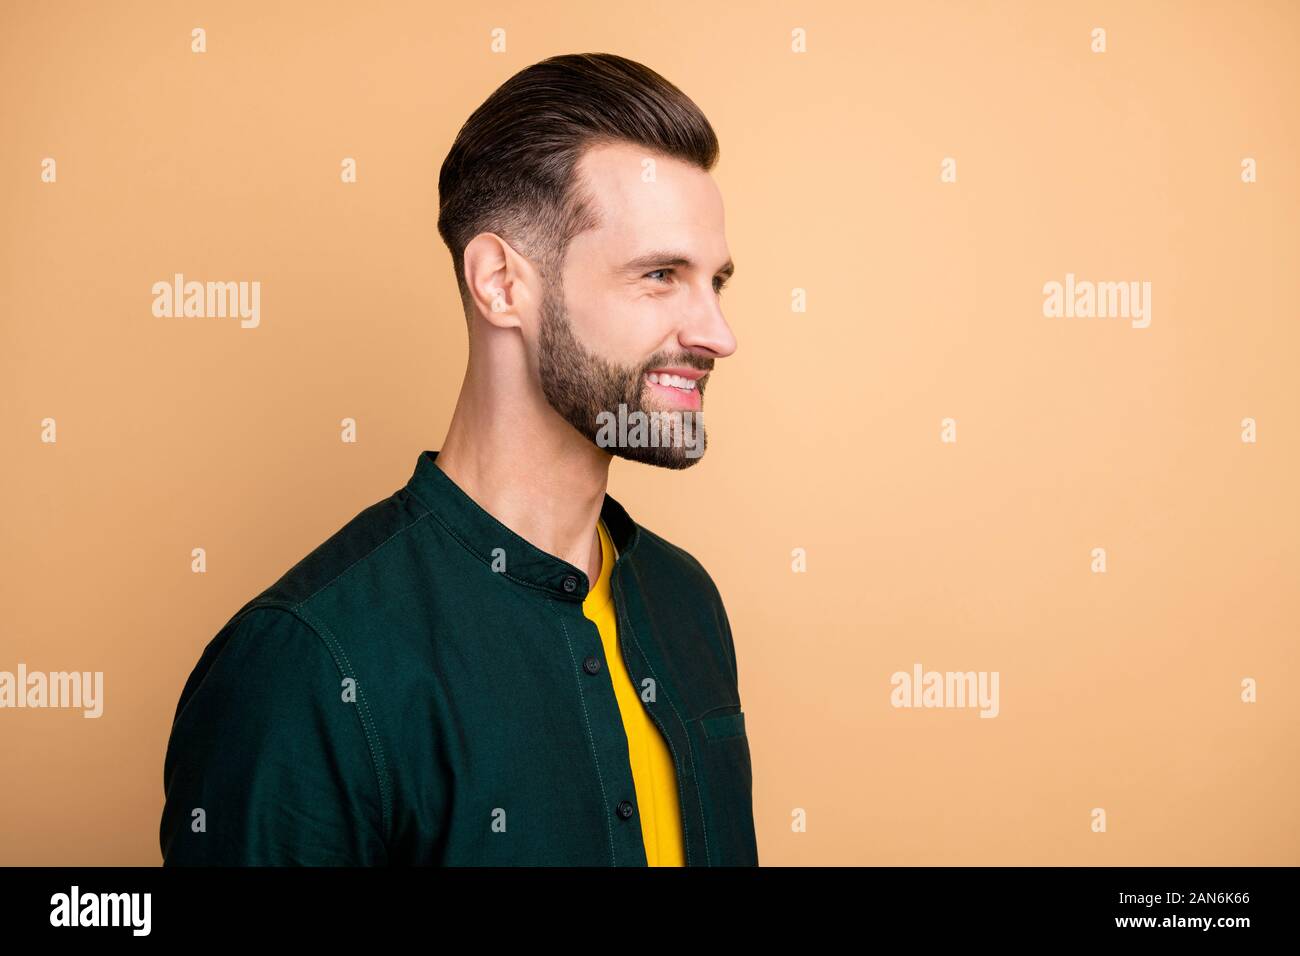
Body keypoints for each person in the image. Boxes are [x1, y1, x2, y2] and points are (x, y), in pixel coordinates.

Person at [160, 52, 755, 866]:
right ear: (501, 284)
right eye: (661, 275)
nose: (717, 333)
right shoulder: (305, 665)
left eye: (715, 282)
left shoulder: (686, 605)